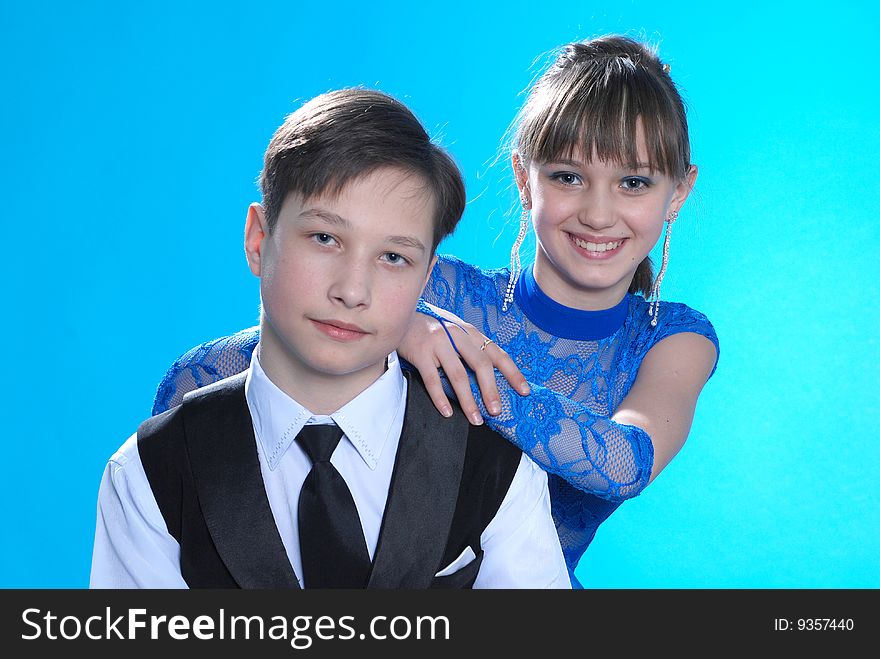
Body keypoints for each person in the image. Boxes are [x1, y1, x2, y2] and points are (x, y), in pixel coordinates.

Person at [151, 36, 719, 587]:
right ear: (525, 179)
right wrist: (399, 328)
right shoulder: (437, 289)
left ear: (678, 193)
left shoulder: (672, 338)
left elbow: (624, 462)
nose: (598, 213)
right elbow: (201, 377)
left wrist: (462, 363)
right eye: (568, 176)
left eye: (634, 183)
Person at [90, 89, 570, 589]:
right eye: (325, 238)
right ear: (259, 239)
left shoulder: (494, 465)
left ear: (426, 279)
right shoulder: (149, 472)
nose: (352, 291)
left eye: (393, 258)